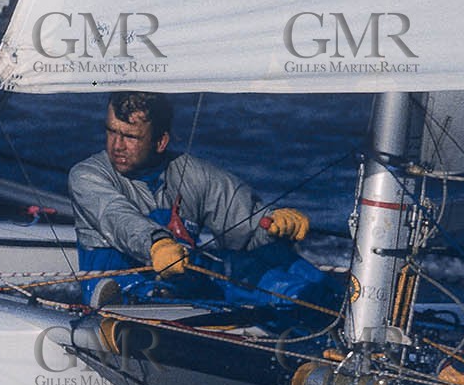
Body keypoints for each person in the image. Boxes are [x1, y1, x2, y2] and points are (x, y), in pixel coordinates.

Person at [69, 91, 327, 308]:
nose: (117, 145)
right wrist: (156, 245)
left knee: (290, 279)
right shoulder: (87, 175)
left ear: (161, 141)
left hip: (187, 287)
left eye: (131, 137)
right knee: (148, 294)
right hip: (119, 293)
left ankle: (332, 314)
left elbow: (244, 226)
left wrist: (274, 224)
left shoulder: (194, 174)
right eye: (112, 132)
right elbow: (118, 217)